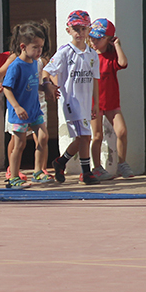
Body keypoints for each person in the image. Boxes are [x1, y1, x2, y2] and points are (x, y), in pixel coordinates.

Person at [43, 11, 100, 185]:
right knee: (85, 136)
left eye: (83, 28)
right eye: (76, 29)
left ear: (88, 30)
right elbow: (47, 70)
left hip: (85, 101)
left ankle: (61, 162)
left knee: (83, 137)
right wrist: (48, 84)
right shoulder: (65, 52)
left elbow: (95, 79)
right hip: (71, 101)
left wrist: (96, 103)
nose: (79, 32)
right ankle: (86, 173)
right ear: (68, 30)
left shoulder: (92, 54)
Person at [1, 22, 49, 189]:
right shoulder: (16, 66)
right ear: (23, 47)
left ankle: (38, 171)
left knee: (43, 137)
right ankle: (13, 177)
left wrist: (46, 88)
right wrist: (16, 107)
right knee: (19, 144)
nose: (39, 51)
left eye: (41, 47)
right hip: (20, 113)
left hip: (34, 110)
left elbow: (33, 85)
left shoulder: (34, 63)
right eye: (35, 47)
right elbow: (6, 88)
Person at [88, 18, 134, 180]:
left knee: (122, 131)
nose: (94, 42)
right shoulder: (88, 56)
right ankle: (97, 168)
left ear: (108, 39)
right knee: (97, 136)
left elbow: (123, 63)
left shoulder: (111, 55)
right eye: (92, 38)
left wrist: (117, 45)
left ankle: (122, 164)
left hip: (112, 102)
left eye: (99, 39)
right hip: (94, 104)